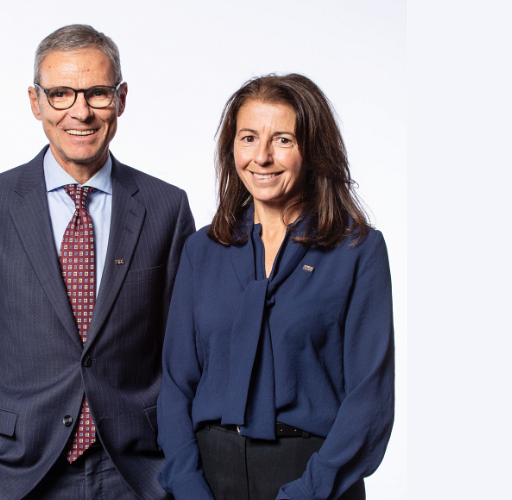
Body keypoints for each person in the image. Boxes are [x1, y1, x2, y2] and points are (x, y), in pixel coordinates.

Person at [0, 24, 195, 500]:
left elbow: (187, 351)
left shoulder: (166, 207)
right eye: (60, 94)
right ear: (35, 102)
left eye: (97, 93)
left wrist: (180, 465)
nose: (81, 111)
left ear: (121, 98)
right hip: (19, 472)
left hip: (137, 474)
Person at [156, 74, 394, 500]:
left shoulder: (358, 250)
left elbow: (369, 398)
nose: (261, 157)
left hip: (313, 477)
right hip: (207, 476)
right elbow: (176, 384)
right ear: (232, 148)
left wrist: (308, 493)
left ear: (313, 150)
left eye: (283, 140)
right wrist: (189, 486)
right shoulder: (202, 250)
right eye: (248, 137)